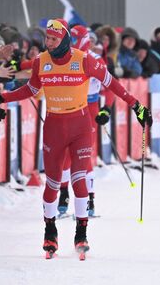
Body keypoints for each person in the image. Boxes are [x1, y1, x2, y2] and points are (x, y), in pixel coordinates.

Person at [0, 19, 152, 257]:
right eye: (47, 38)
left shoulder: (84, 60)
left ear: (65, 39)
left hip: (80, 126)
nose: (49, 43)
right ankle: (50, 231)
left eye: (54, 39)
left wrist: (137, 106)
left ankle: (81, 234)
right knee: (53, 183)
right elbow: (31, 90)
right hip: (54, 127)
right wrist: (2, 98)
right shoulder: (41, 61)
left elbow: (112, 84)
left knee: (79, 180)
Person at [57, 25, 102, 217]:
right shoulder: (64, 57)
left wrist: (106, 109)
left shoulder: (95, 59)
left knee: (84, 154)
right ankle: (64, 194)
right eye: (71, 39)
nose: (72, 44)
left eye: (76, 40)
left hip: (89, 108)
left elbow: (109, 86)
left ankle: (90, 199)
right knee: (66, 152)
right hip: (67, 108)